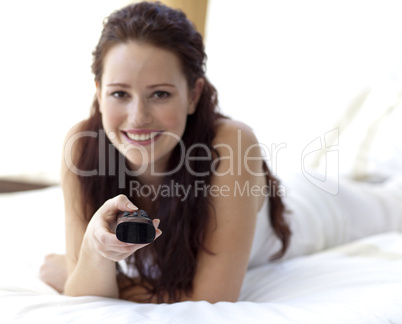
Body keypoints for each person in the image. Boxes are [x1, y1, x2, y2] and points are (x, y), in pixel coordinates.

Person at [40, 1, 402, 304]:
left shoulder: (231, 143)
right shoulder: (82, 148)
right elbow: (85, 295)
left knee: (394, 203)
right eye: (120, 93)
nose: (138, 118)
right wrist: (92, 252)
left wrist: (77, 272)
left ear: (194, 94)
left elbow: (210, 298)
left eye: (160, 94)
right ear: (100, 90)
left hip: (315, 210)